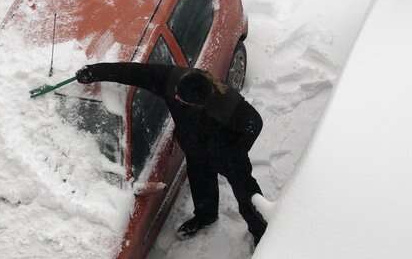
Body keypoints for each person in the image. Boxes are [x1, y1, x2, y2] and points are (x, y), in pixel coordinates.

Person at [76, 62, 268, 245]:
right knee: (201, 183)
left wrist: (233, 152)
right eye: (176, 93)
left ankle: (261, 231)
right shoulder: (171, 80)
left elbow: (254, 124)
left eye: (180, 98)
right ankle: (205, 216)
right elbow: (133, 72)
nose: (174, 97)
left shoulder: (227, 104)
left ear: (199, 104)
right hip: (196, 150)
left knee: (246, 193)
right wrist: (95, 71)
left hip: (227, 154)